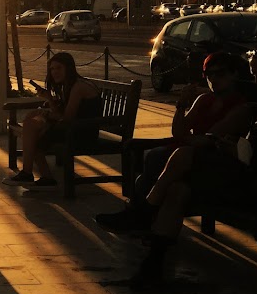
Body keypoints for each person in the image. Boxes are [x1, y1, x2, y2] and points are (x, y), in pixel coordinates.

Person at [126, 43, 257, 289]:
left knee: (180, 158)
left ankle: (144, 213)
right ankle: (152, 266)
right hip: (242, 174)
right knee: (177, 188)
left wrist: (242, 150)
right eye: (255, 74)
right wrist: (237, 146)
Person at [95, 51, 248, 234]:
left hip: (212, 159)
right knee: (154, 167)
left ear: (234, 74)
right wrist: (181, 104)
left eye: (220, 73)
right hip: (189, 155)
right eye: (209, 75)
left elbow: (210, 138)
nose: (214, 79)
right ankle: (139, 218)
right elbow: (178, 132)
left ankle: (138, 216)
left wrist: (190, 139)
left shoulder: (240, 106)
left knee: (158, 157)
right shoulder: (204, 99)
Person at [2, 51, 102, 189]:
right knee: (32, 122)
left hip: (83, 132)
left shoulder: (78, 87)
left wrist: (48, 113)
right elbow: (63, 114)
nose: (55, 72)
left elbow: (67, 118)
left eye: (59, 68)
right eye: (52, 69)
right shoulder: (68, 85)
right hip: (74, 127)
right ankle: (41, 177)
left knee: (33, 130)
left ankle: (29, 174)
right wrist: (49, 101)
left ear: (69, 68)